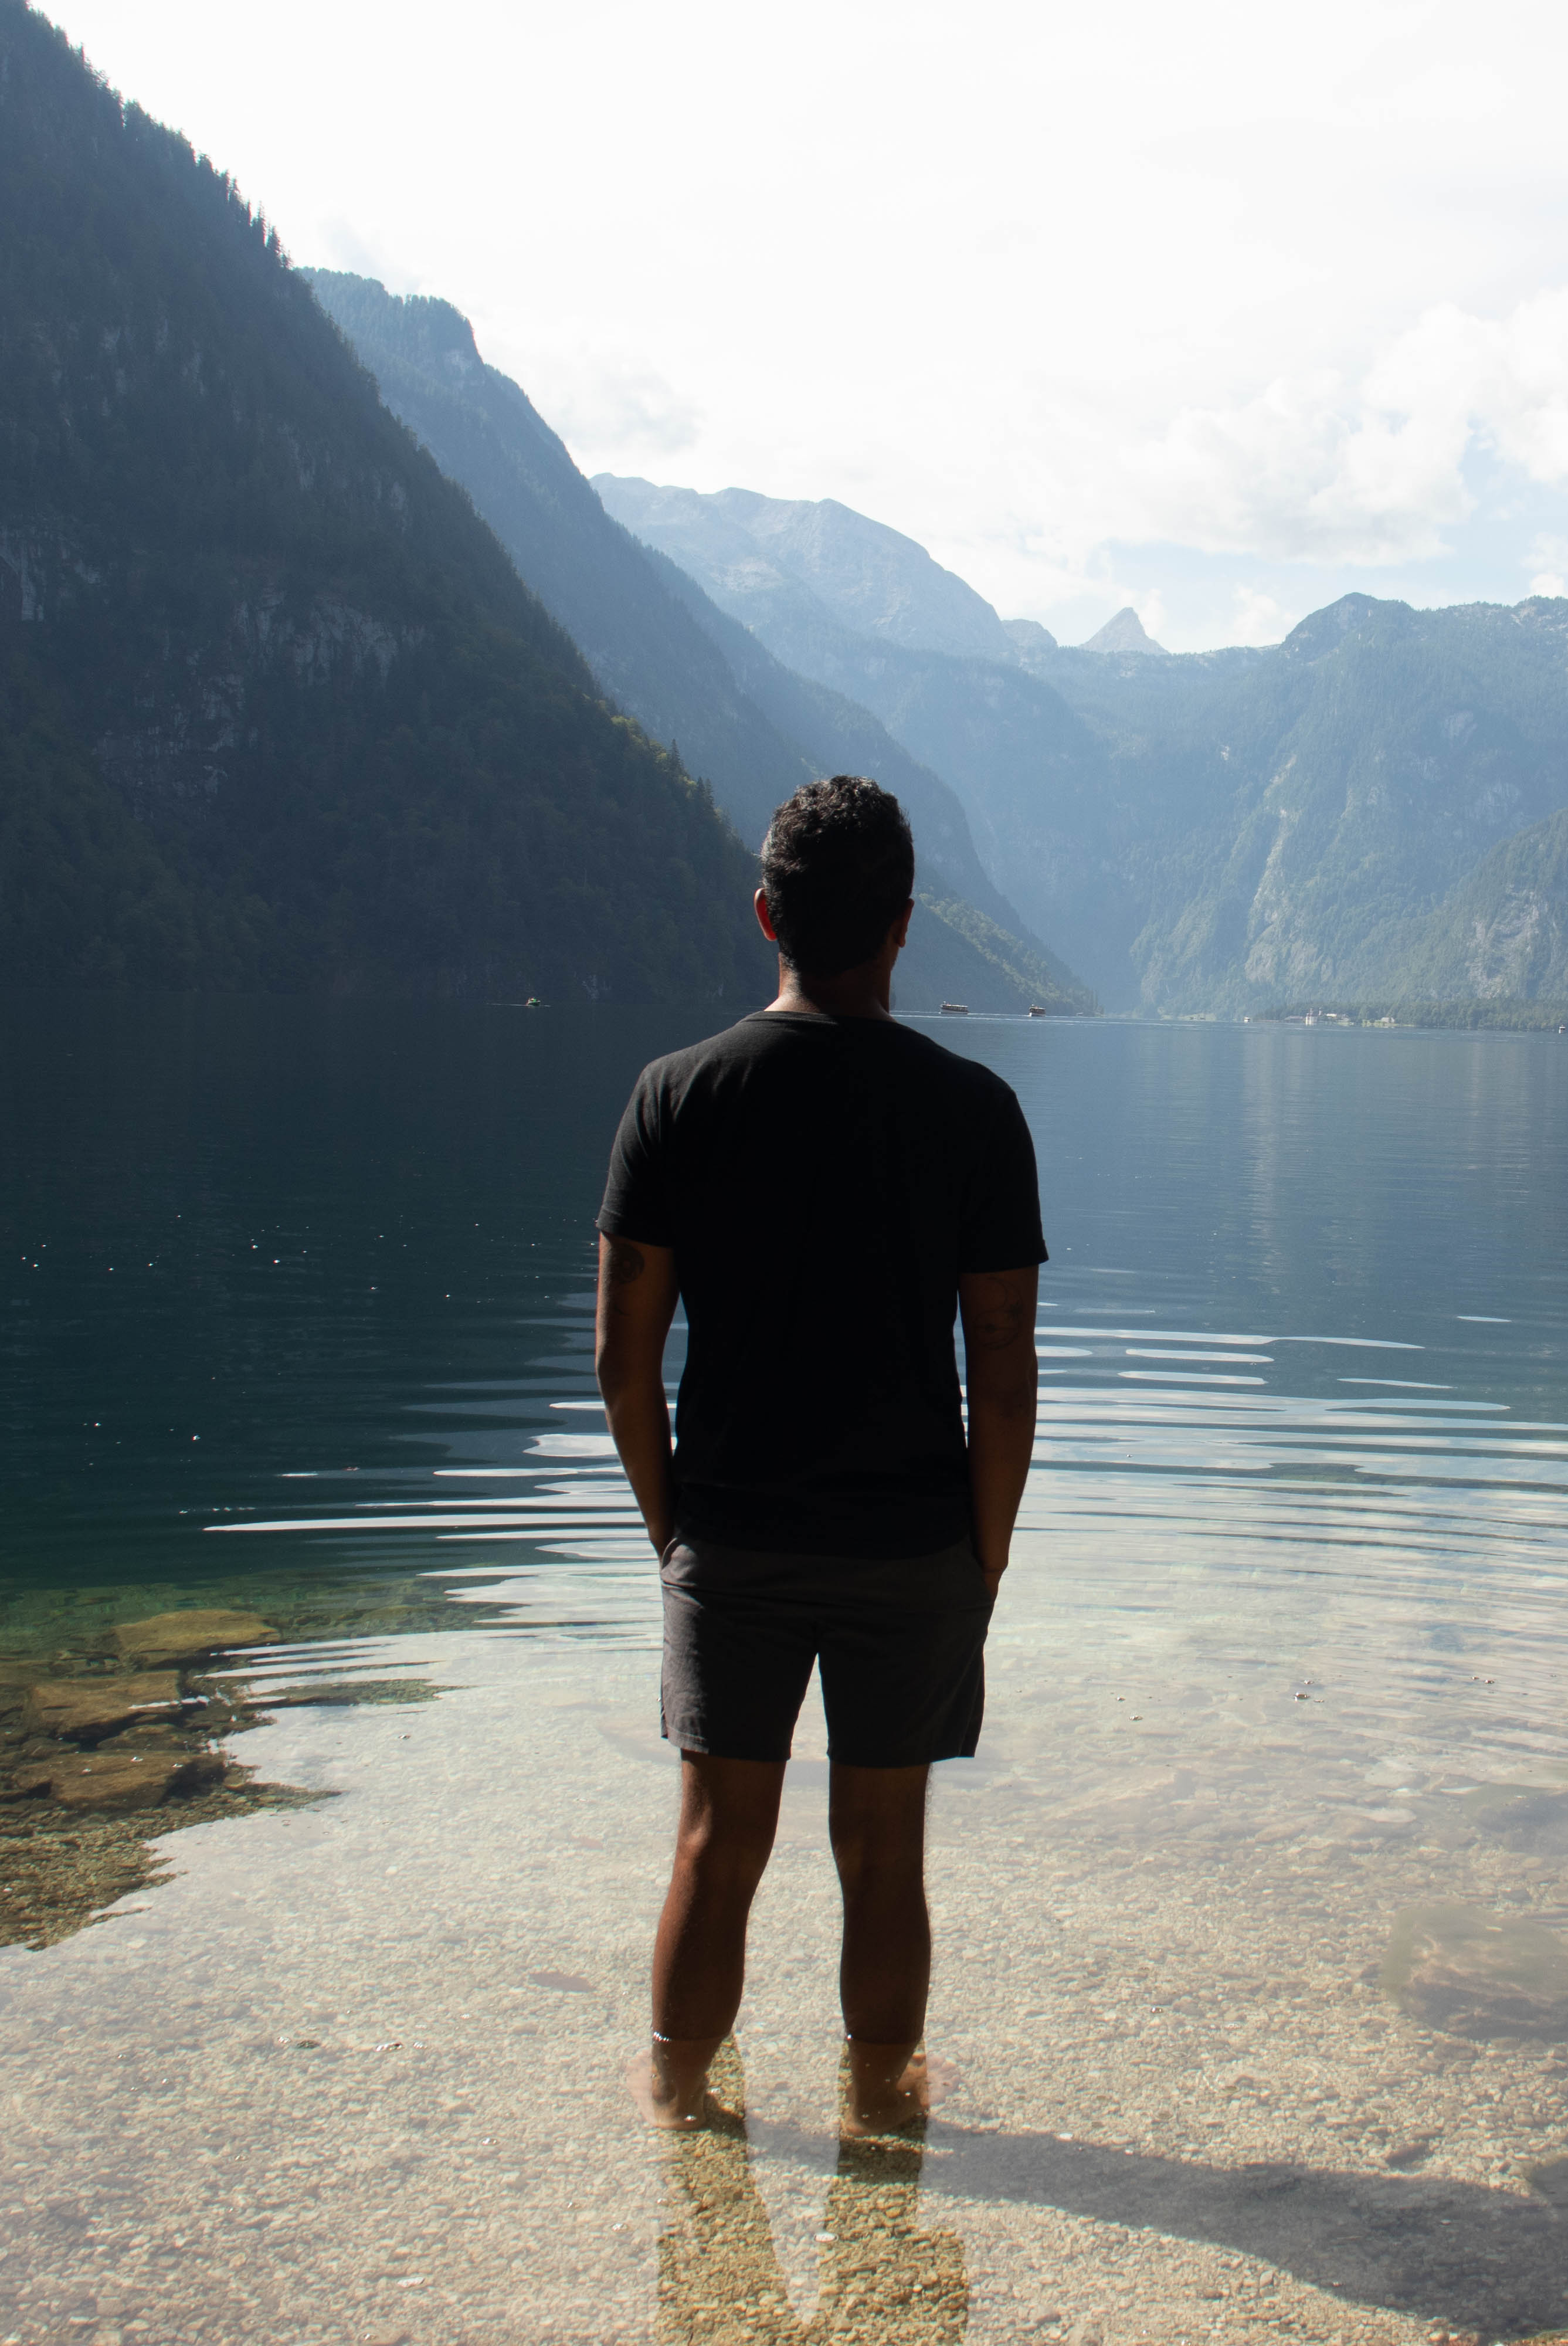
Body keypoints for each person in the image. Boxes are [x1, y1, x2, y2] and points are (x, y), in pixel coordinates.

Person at [595, 775, 1044, 2140]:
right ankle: (882, 2102)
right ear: (904, 926)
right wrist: (987, 1549)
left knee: (714, 1844)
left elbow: (623, 1360)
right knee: (883, 1855)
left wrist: (677, 1530)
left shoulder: (675, 1095)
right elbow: (1005, 1367)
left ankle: (675, 2100)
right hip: (914, 1541)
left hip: (731, 1532)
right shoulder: (975, 1112)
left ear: (764, 913)